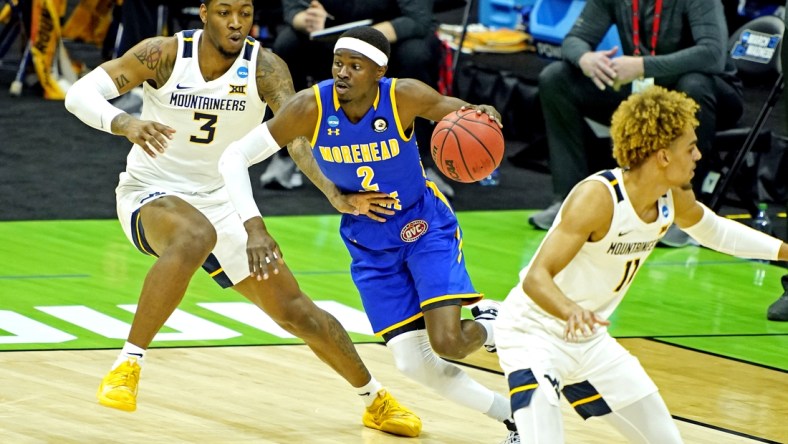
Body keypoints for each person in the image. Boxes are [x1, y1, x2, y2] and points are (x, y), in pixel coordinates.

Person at [63, 0, 422, 437]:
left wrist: (333, 191)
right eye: (225, 12)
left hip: (220, 199)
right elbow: (78, 93)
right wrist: (124, 122)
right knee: (195, 235)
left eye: (246, 13)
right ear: (203, 13)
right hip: (150, 194)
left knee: (299, 313)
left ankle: (375, 398)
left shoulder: (264, 67)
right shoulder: (165, 54)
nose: (236, 23)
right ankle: (127, 364)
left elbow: (297, 138)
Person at [217, 26, 520, 444]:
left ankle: (495, 324)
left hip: (422, 226)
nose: (342, 72)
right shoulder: (310, 106)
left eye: (355, 66)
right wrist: (257, 225)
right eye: (338, 63)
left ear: (379, 71)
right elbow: (234, 157)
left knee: (448, 341)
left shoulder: (403, 96)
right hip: (368, 241)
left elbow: (467, 115)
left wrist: (485, 113)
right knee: (415, 364)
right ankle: (515, 417)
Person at [495, 86, 788, 443]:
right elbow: (536, 278)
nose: (698, 154)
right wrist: (570, 310)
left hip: (590, 341)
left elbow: (713, 230)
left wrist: (784, 251)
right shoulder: (598, 198)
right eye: (690, 147)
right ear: (663, 155)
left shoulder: (673, 193)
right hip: (534, 334)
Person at [530, 0, 744, 249]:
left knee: (694, 83)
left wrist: (642, 66)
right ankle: (568, 201)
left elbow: (712, 54)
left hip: (711, 91)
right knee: (557, 78)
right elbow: (574, 39)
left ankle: (686, 215)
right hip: (646, 84)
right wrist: (585, 58)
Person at [259, 0, 454, 198]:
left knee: (416, 54)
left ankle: (423, 163)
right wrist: (305, 19)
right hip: (332, 38)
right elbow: (293, 8)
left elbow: (418, 19)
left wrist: (365, 41)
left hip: (388, 39)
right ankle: (286, 154)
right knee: (288, 43)